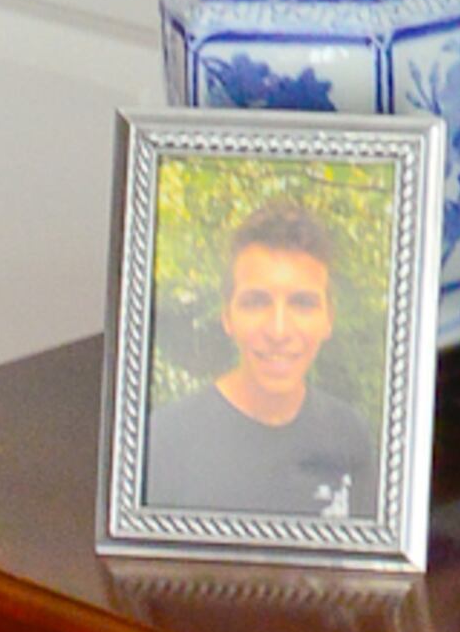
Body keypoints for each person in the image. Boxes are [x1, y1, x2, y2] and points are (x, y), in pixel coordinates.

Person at [146, 191, 374, 523]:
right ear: (227, 317)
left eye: (302, 303)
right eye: (256, 302)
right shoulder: (163, 442)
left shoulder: (349, 435)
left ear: (328, 319)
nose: (278, 330)